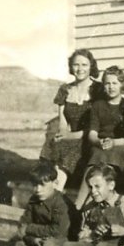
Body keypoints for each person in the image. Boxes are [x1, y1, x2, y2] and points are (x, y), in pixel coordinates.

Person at [39, 49, 103, 189]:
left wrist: (70, 136)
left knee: (70, 148)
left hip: (91, 138)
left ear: (91, 66)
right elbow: (63, 122)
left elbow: (99, 125)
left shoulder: (99, 89)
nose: (80, 69)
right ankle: (49, 188)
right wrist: (62, 136)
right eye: (76, 65)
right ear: (71, 67)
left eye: (84, 65)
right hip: (70, 137)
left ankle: (56, 190)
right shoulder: (65, 90)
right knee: (53, 144)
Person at [76, 66, 124, 207]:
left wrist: (113, 143)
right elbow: (92, 133)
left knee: (109, 153)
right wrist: (99, 142)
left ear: (122, 84)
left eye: (115, 83)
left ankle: (95, 198)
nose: (111, 87)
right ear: (103, 85)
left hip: (120, 146)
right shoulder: (98, 105)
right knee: (98, 154)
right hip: (100, 145)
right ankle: (80, 203)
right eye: (107, 83)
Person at [13, 160, 75, 246]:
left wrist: (30, 230)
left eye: (42, 184)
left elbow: (59, 230)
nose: (38, 189)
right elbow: (23, 223)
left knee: (49, 245)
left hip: (64, 240)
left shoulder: (61, 203)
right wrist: (32, 238)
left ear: (55, 183)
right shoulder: (34, 200)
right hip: (41, 238)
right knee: (21, 245)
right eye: (35, 185)